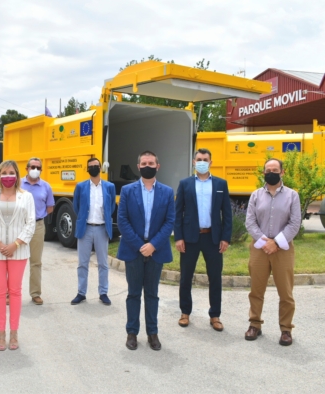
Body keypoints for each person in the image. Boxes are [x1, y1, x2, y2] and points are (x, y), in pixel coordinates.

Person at [117, 150, 175, 351]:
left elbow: (169, 222)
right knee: (133, 294)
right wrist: (139, 245)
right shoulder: (127, 190)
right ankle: (132, 332)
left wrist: (153, 245)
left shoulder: (167, 192)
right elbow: (122, 220)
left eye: (151, 163)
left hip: (156, 250)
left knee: (152, 294)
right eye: (144, 163)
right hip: (133, 250)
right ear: (139, 166)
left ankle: (153, 333)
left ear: (158, 166)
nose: (147, 166)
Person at [0, 160, 35, 351]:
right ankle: (0, 333)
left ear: (18, 175)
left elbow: (30, 224)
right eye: (4, 173)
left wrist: (15, 244)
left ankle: (14, 332)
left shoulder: (26, 197)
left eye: (11, 172)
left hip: (18, 252)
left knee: (15, 291)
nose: (8, 176)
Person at [244, 158, 300, 346]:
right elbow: (250, 222)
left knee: (286, 292)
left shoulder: (292, 196)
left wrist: (275, 243)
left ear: (282, 172)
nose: (271, 172)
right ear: (263, 173)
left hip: (283, 250)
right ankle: (255, 324)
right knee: (256, 290)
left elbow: (295, 223)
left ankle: (286, 329)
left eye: (275, 169)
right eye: (268, 170)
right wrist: (265, 242)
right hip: (260, 249)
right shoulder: (256, 195)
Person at [174, 148, 231, 331]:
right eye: (198, 159)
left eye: (205, 159)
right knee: (186, 277)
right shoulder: (185, 184)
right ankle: (185, 312)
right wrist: (179, 237)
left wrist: (225, 238)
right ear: (193, 162)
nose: (202, 162)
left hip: (213, 238)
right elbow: (178, 213)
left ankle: (215, 315)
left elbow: (227, 214)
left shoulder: (221, 184)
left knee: (215, 278)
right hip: (190, 238)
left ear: (211, 162)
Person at [71, 158, 116, 305]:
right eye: (91, 166)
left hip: (102, 229)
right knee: (82, 263)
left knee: (103, 263)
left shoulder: (109, 186)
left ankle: (103, 293)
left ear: (100, 168)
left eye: (96, 166)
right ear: (87, 169)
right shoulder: (81, 186)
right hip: (86, 228)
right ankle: (81, 293)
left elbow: (111, 207)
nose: (94, 168)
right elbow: (76, 206)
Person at [21, 157, 54, 305]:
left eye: (38, 168)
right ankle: (10, 293)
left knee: (35, 262)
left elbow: (50, 207)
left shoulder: (46, 186)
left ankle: (35, 294)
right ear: (27, 168)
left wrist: (37, 216)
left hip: (37, 226)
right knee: (14, 261)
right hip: (19, 226)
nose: (35, 170)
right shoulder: (18, 184)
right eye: (32, 167)